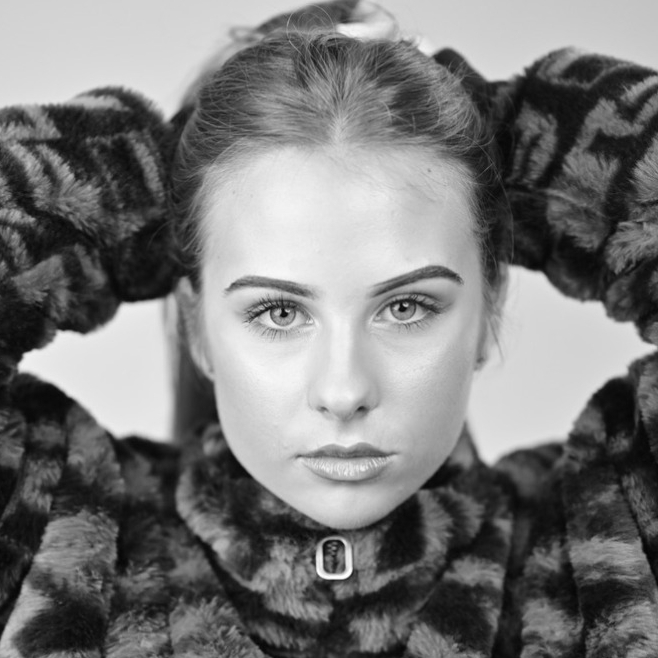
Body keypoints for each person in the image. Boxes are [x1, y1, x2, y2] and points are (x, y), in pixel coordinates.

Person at [1, 1, 658, 656]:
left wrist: (507, 130)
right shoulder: (60, 526)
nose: (344, 392)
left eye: (406, 307)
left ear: (488, 313)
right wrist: (168, 168)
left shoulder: (603, 536)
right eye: (279, 312)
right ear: (198, 327)